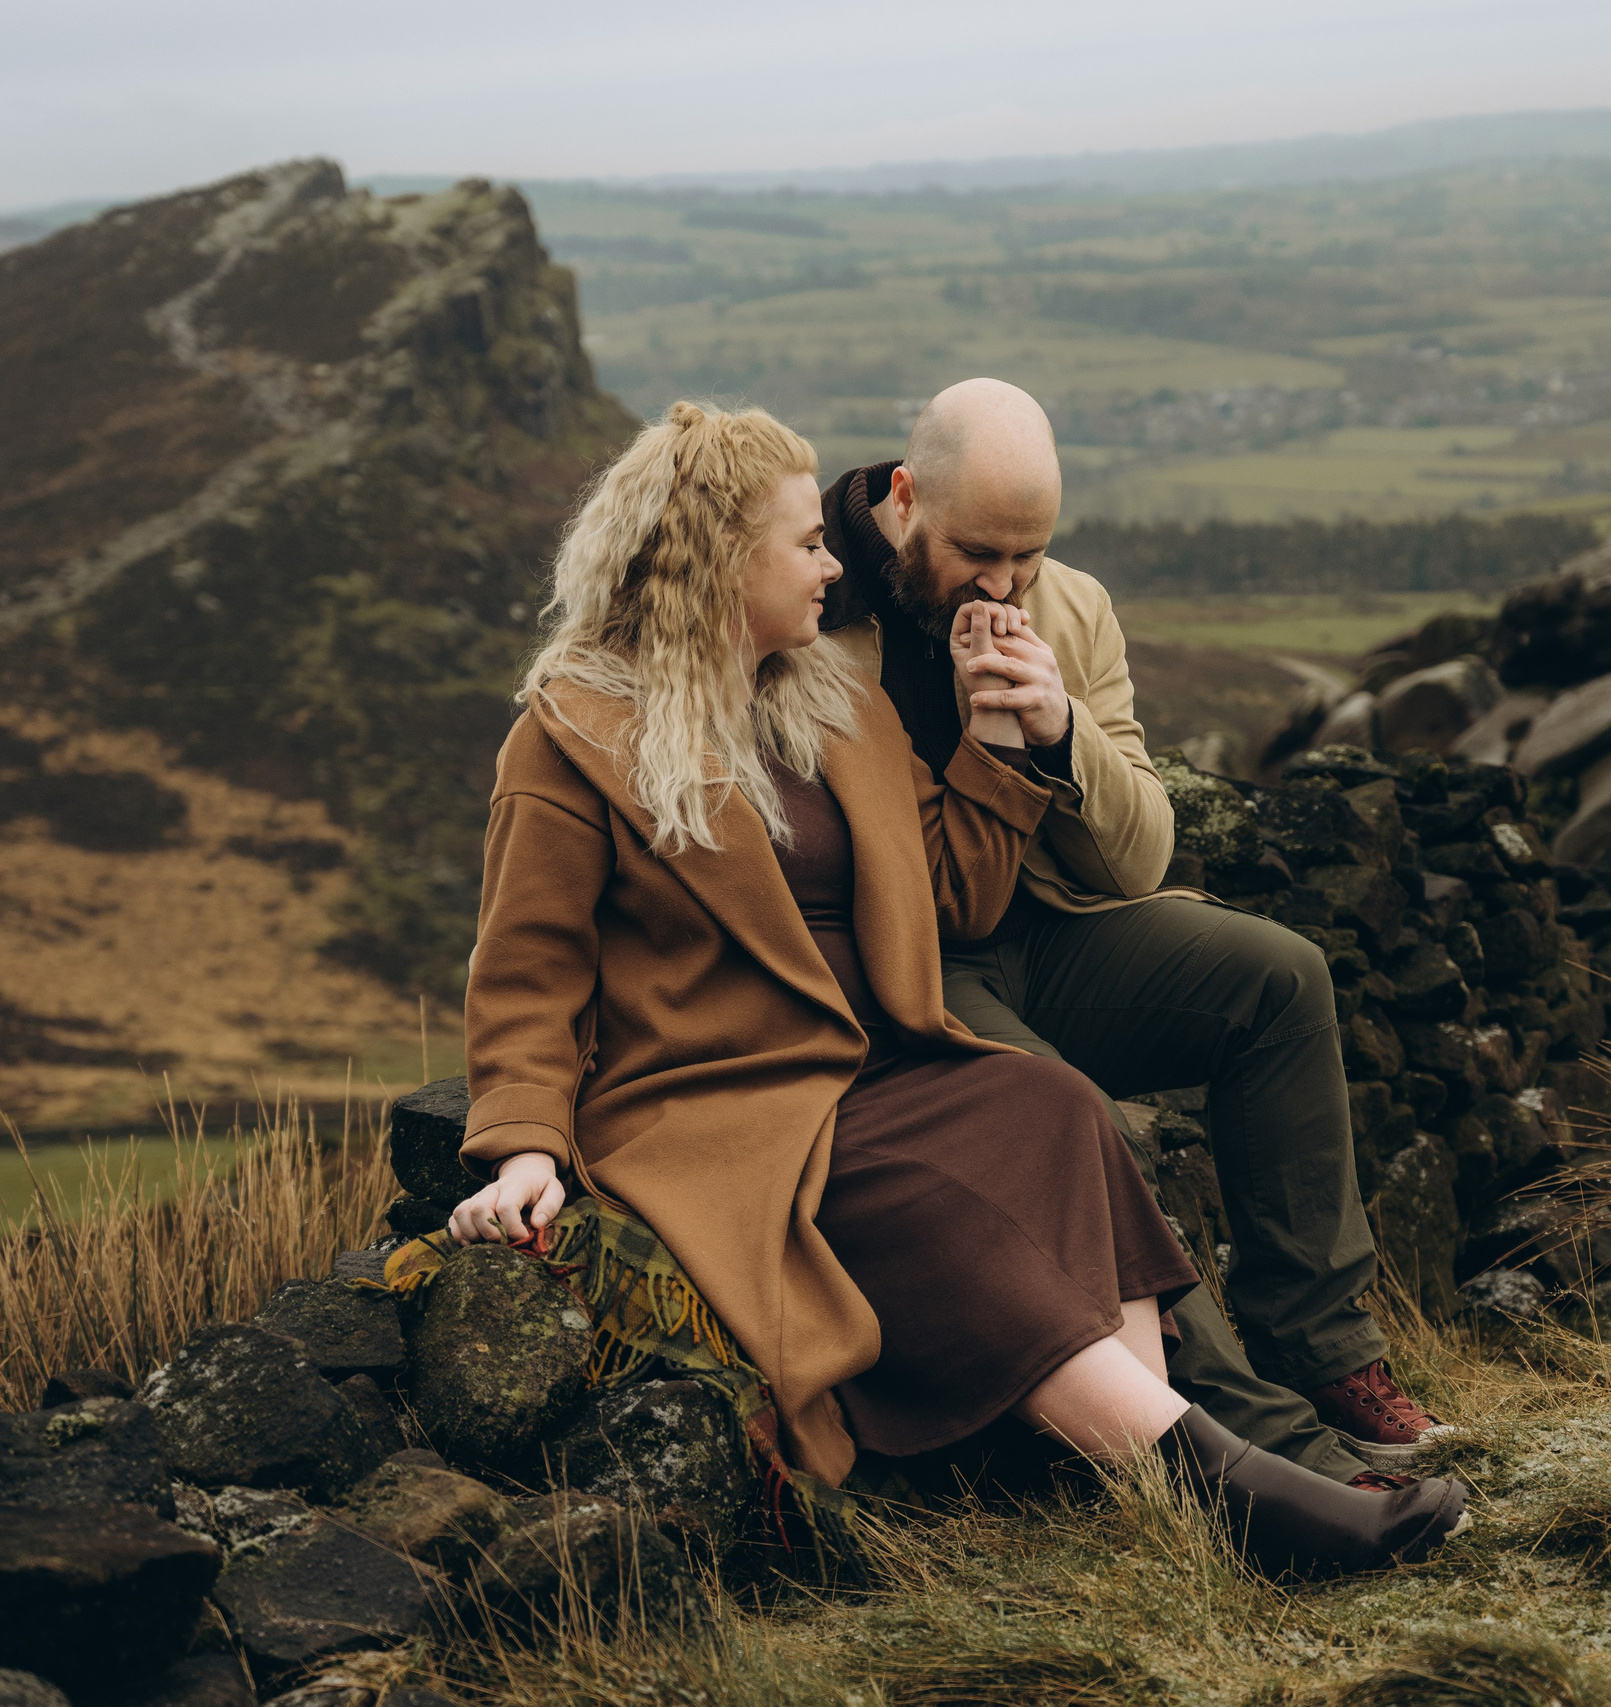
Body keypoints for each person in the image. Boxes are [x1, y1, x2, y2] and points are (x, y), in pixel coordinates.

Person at [447, 400, 1468, 1576]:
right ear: (720, 561)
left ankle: (1164, 1481)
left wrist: (1000, 738)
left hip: (881, 1060)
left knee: (1053, 1106)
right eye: (805, 543)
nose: (832, 564)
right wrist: (523, 1147)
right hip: (730, 1100)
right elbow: (527, 970)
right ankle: (1241, 1496)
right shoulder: (572, 734)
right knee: (937, 1207)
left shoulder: (831, 699)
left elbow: (953, 896)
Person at [817, 379, 1450, 1486]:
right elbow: (902, 890)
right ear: (905, 497)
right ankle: (1247, 1435)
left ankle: (1324, 1356)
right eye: (977, 552)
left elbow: (1139, 859)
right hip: (902, 963)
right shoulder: (810, 609)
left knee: (1280, 980)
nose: (1003, 583)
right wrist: (981, 750)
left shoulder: (1073, 607)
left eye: (1028, 554)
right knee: (1069, 1112)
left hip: (1053, 930)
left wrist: (1059, 731)